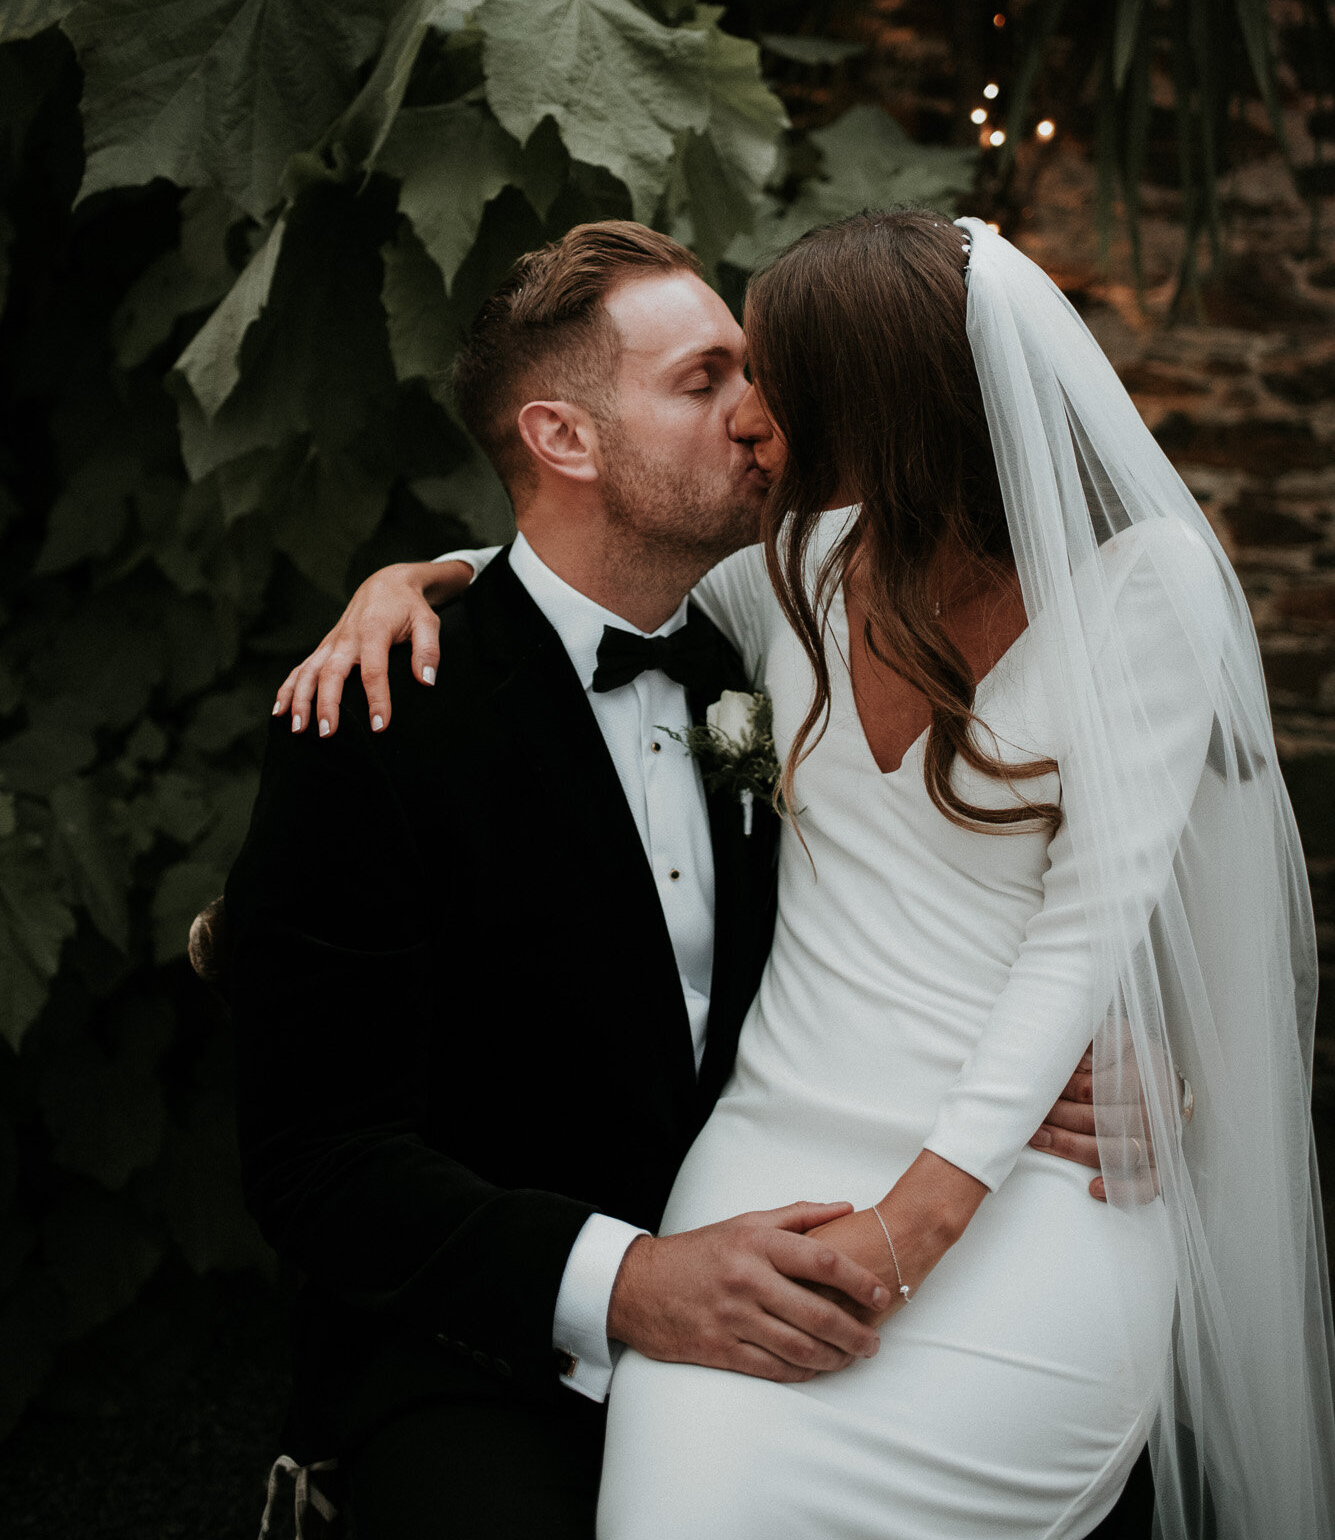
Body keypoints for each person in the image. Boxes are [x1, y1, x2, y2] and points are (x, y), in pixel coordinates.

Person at [284, 211, 1334, 1540]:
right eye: (706, 377)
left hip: (1010, 1176)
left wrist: (1132, 1097)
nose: (749, 412)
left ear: (874, 395)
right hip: (690, 1208)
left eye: (760, 372)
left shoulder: (1071, 588)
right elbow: (568, 584)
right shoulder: (759, 582)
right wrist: (409, 581)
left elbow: (1082, 927)